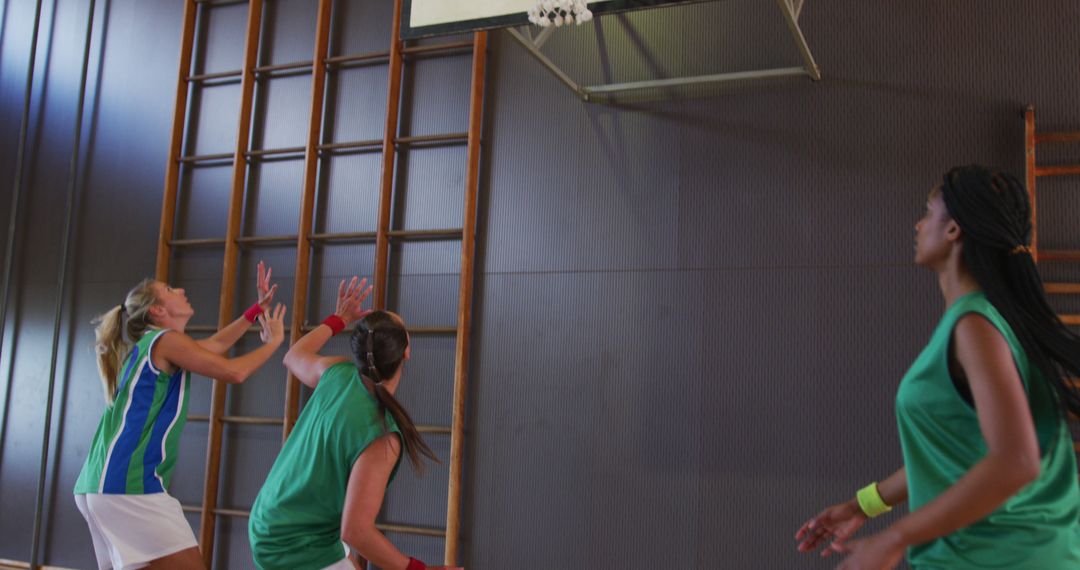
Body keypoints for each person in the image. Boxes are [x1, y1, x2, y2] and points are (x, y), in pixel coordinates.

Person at [795, 165, 1080, 569]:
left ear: (953, 231)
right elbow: (952, 454)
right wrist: (863, 505)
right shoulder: (990, 321)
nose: (918, 225)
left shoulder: (975, 326)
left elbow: (1016, 461)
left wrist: (895, 538)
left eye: (928, 213)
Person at [74, 262, 286, 569]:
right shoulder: (165, 341)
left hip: (101, 485)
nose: (182, 290)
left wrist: (255, 311)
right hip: (128, 484)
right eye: (171, 290)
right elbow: (234, 372)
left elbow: (215, 346)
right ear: (158, 311)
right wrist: (274, 344)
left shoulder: (156, 343)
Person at [248, 276, 459, 570]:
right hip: (293, 543)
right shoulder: (382, 435)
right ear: (406, 351)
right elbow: (356, 531)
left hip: (271, 518)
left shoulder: (337, 372)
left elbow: (294, 355)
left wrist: (339, 319)